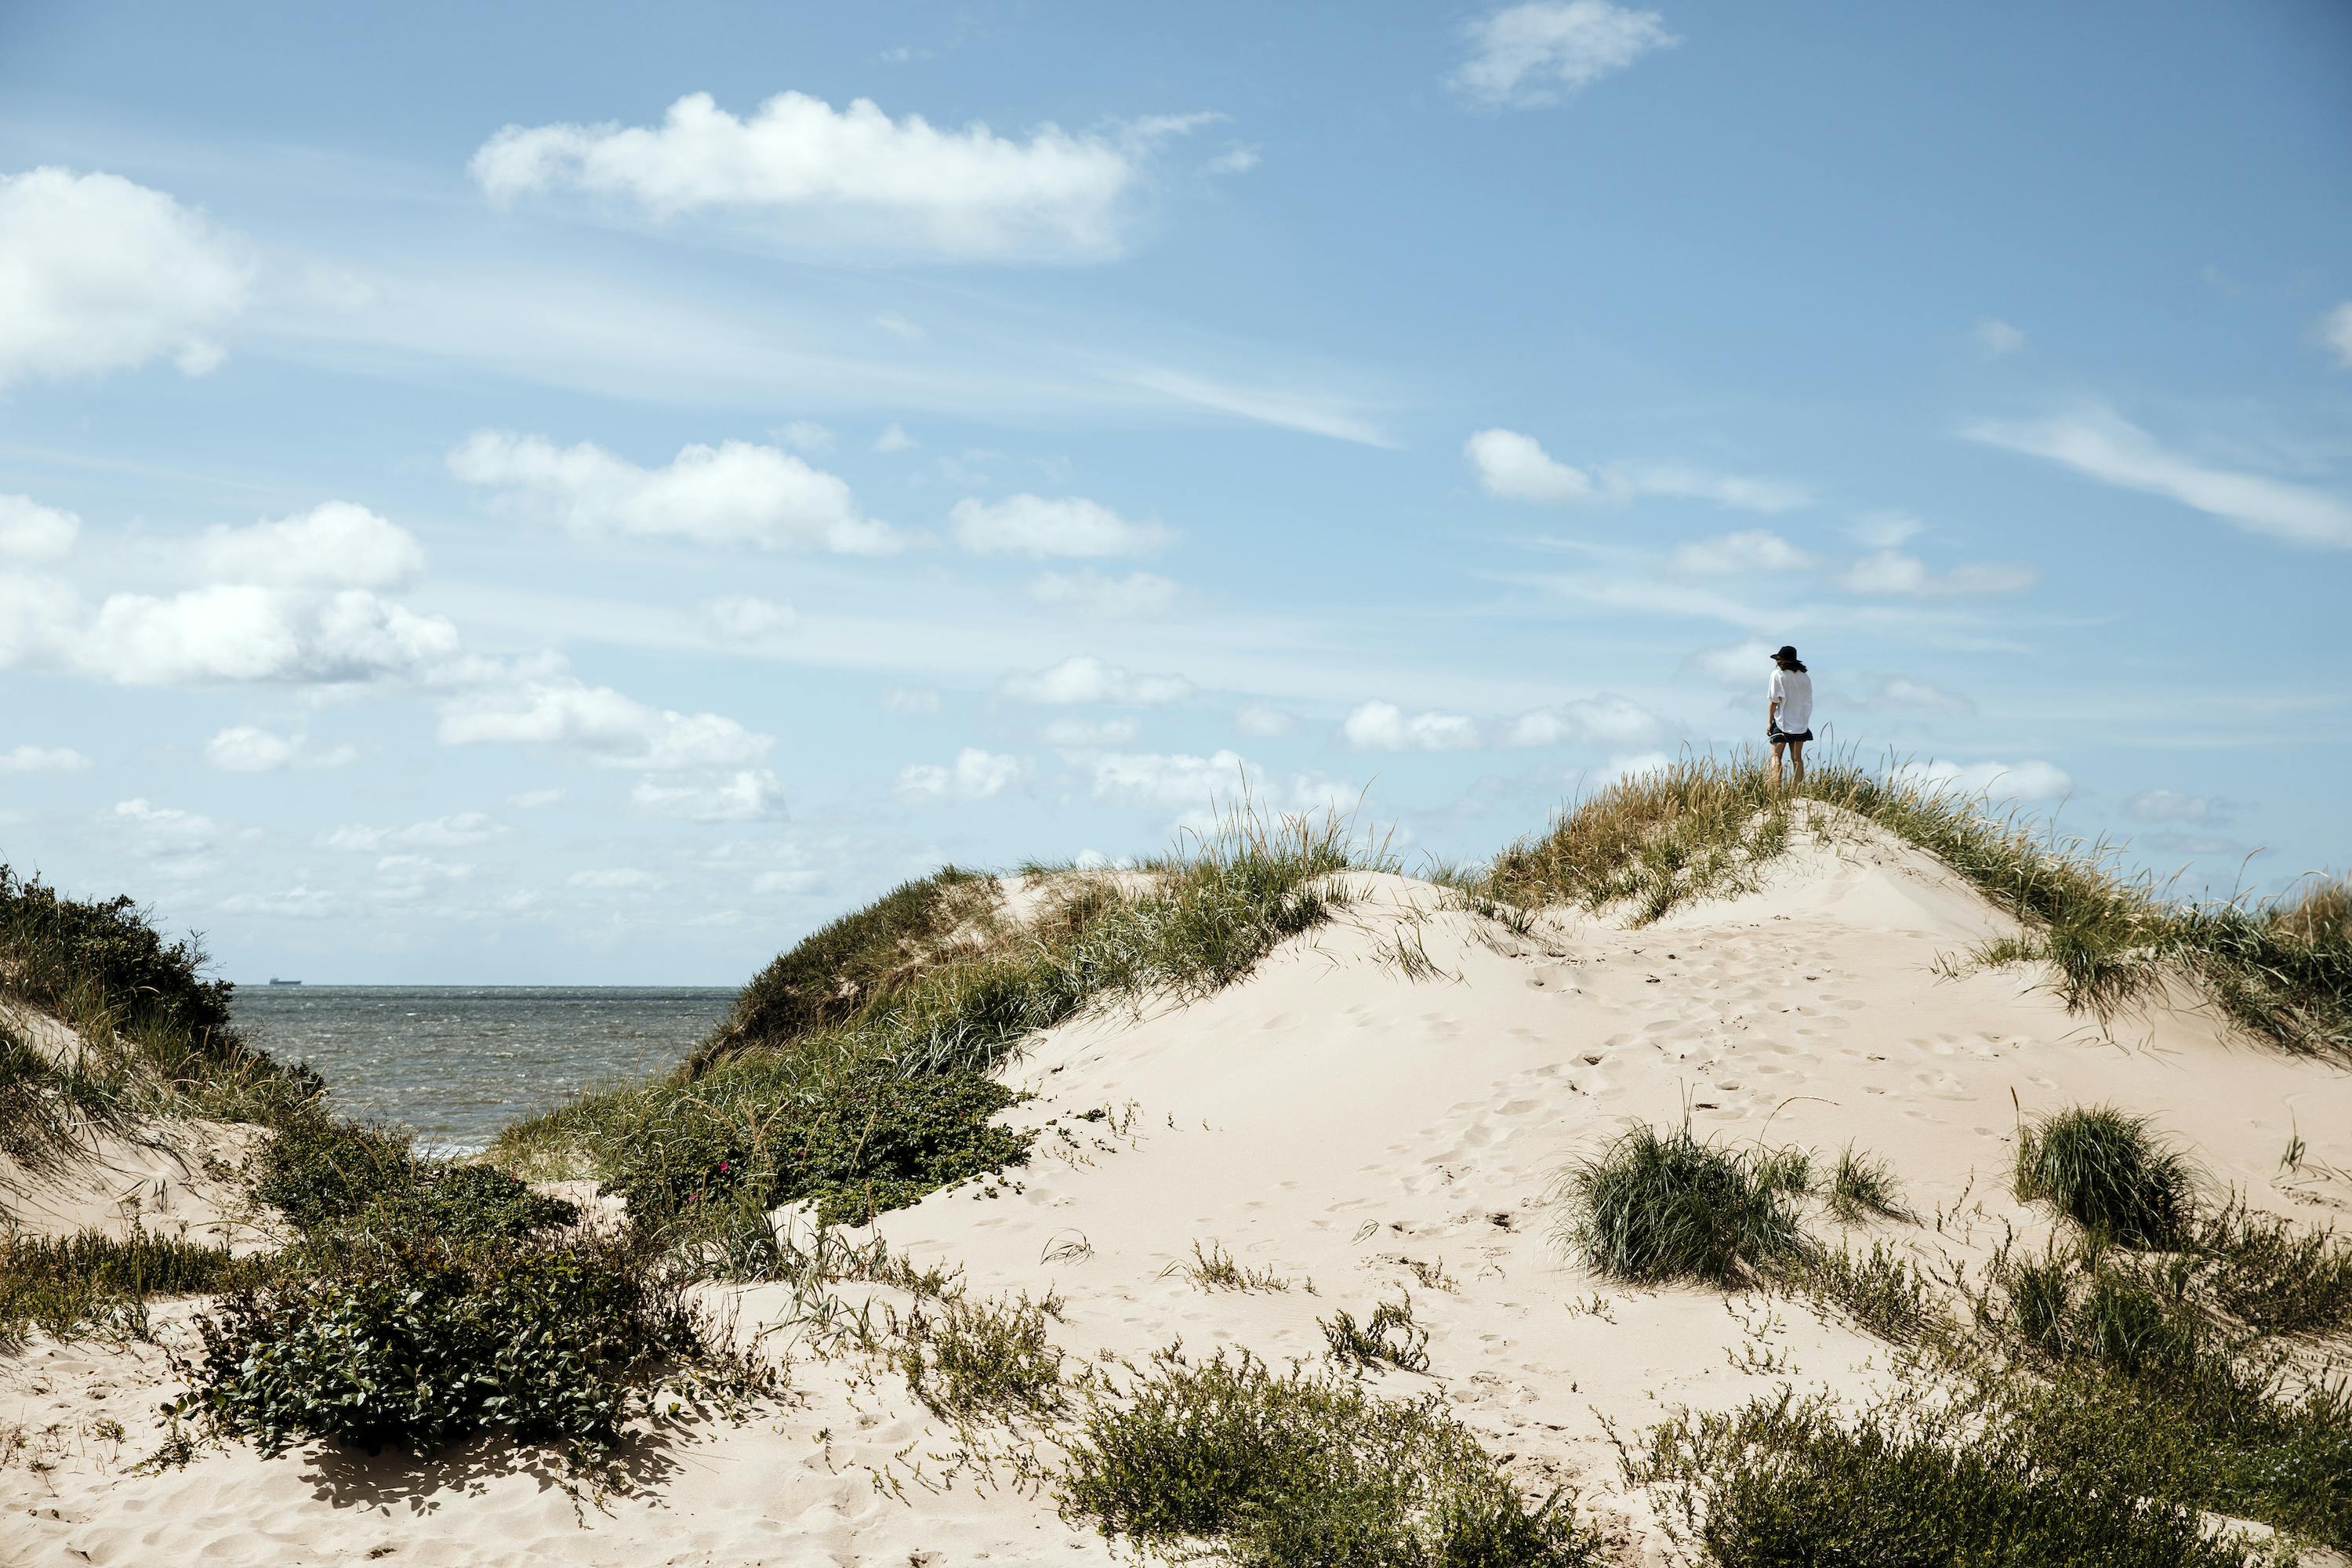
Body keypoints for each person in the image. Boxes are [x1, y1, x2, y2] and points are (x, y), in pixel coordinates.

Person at [1766, 644, 1813, 786]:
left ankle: (1776, 789)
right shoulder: (1804, 677)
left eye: (1780, 659)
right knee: (1797, 758)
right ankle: (1797, 791)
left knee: (1776, 756)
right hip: (1800, 721)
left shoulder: (1777, 675)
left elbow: (1773, 701)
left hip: (1782, 721)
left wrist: (1769, 722)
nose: (1778, 662)